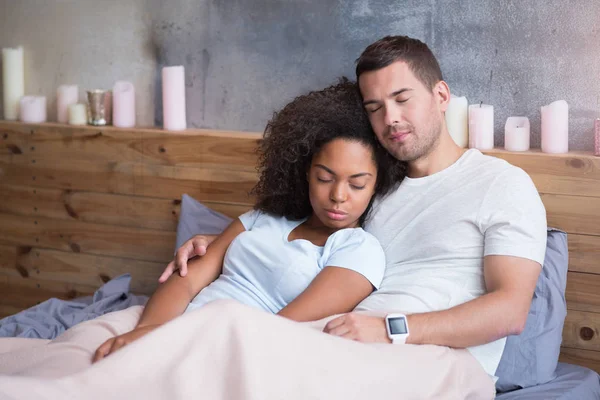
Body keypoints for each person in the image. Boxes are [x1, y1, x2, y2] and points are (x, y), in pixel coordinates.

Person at [161, 35, 547, 380]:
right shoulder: (374, 185)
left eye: (402, 99)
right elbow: (304, 236)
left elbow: (509, 311)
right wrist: (221, 244)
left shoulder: (501, 184)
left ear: (441, 96)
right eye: (375, 107)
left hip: (438, 358)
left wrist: (390, 329)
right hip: (342, 337)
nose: (390, 119)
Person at [92, 78, 406, 361]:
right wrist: (148, 331)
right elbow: (187, 280)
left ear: (376, 185)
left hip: (228, 348)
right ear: (306, 173)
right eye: (325, 178)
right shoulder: (264, 218)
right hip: (176, 325)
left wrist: (173, 343)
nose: (338, 195)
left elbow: (280, 328)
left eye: (357, 184)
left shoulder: (359, 251)